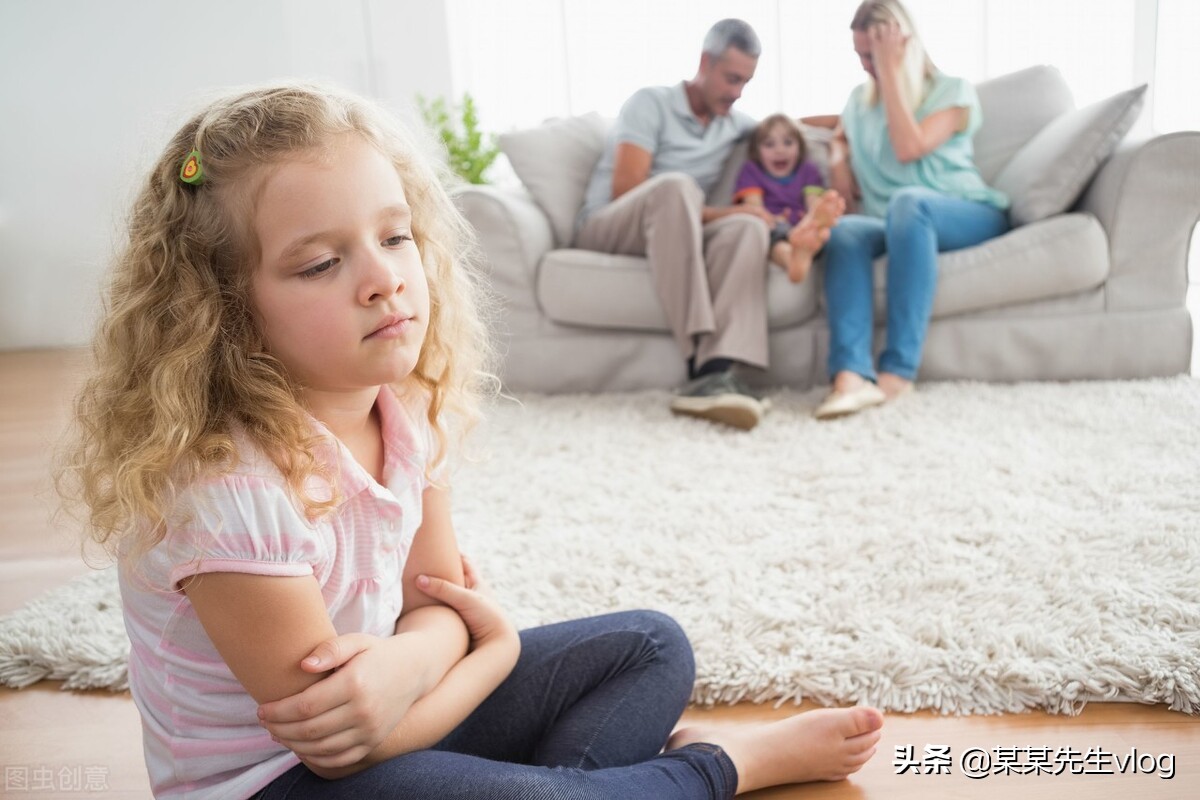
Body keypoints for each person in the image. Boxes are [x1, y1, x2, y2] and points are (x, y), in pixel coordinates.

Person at [59, 83, 883, 799]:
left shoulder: (405, 409)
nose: (383, 277)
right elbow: (352, 745)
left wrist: (425, 653)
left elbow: (433, 607)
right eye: (319, 264)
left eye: (394, 236)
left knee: (651, 645)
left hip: (403, 714)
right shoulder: (227, 486)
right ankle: (718, 770)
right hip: (287, 785)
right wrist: (484, 650)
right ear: (225, 312)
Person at [576, 19, 795, 432]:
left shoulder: (736, 124)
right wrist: (726, 212)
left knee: (749, 229)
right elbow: (627, 187)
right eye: (731, 78)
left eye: (746, 82)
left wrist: (846, 126)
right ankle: (697, 358)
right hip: (612, 225)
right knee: (678, 188)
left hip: (678, 230)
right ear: (705, 63)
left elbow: (794, 127)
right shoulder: (651, 103)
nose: (737, 92)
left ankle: (715, 370)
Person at [815, 0, 1010, 420]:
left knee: (909, 202)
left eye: (874, 54)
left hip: (964, 212)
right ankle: (850, 376)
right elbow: (838, 134)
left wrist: (890, 74)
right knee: (847, 231)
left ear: (903, 42)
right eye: (861, 56)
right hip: (896, 222)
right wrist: (836, 158)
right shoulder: (858, 102)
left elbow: (909, 148)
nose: (867, 65)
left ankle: (898, 374)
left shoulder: (952, 91)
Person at [733, 113, 846, 283]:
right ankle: (794, 260)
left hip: (802, 226)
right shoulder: (752, 171)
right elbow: (755, 208)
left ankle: (806, 245)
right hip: (771, 225)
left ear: (799, 146)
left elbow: (812, 202)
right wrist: (775, 221)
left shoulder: (808, 170)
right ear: (756, 150)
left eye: (788, 142)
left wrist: (814, 219)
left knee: (822, 235)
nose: (780, 150)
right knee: (772, 237)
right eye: (769, 144)